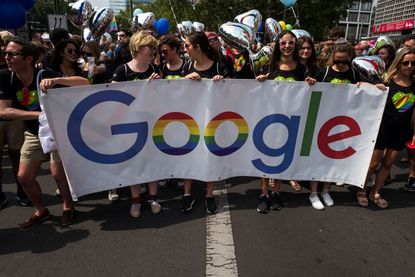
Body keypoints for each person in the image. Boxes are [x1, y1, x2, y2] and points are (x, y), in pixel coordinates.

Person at [0, 38, 89, 229]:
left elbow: (84, 81)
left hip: (55, 131)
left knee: (57, 173)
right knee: (24, 177)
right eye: (6, 53)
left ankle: (68, 207)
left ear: (28, 59)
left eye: (12, 54)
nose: (7, 57)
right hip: (33, 133)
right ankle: (41, 210)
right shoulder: (5, 77)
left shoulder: (43, 74)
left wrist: (57, 80)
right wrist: (38, 115)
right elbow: (3, 111)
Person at [112, 30, 162, 218]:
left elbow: (163, 98)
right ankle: (135, 201)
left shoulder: (154, 70)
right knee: (134, 163)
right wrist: (143, 87)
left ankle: (153, 198)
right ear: (139, 48)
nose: (153, 51)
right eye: (150, 47)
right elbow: (113, 98)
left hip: (150, 122)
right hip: (129, 125)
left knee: (151, 162)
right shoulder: (122, 70)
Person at [255, 30, 306, 213]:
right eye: (283, 43)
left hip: (291, 120)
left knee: (281, 158)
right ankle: (264, 193)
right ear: (278, 45)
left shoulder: (301, 69)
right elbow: (257, 94)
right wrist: (259, 82)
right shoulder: (268, 67)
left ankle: (276, 192)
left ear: (295, 45)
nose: (287, 46)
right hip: (268, 120)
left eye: (290, 43)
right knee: (266, 157)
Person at [181, 31, 229, 214]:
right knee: (189, 153)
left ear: (197, 47)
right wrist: (185, 81)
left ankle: (209, 194)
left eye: (187, 46)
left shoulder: (218, 67)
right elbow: (178, 94)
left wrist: (222, 82)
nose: (185, 49)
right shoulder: (186, 67)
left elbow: (231, 92)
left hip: (212, 120)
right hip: (190, 120)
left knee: (210, 154)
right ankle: (187, 194)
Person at [360, 47, 415, 207]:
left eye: (413, 63)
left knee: (388, 164)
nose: (409, 66)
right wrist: (375, 87)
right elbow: (362, 87)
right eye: (405, 62)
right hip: (382, 129)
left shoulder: (414, 85)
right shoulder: (386, 80)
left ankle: (375, 192)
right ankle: (362, 189)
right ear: (399, 63)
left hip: (402, 131)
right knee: (373, 163)